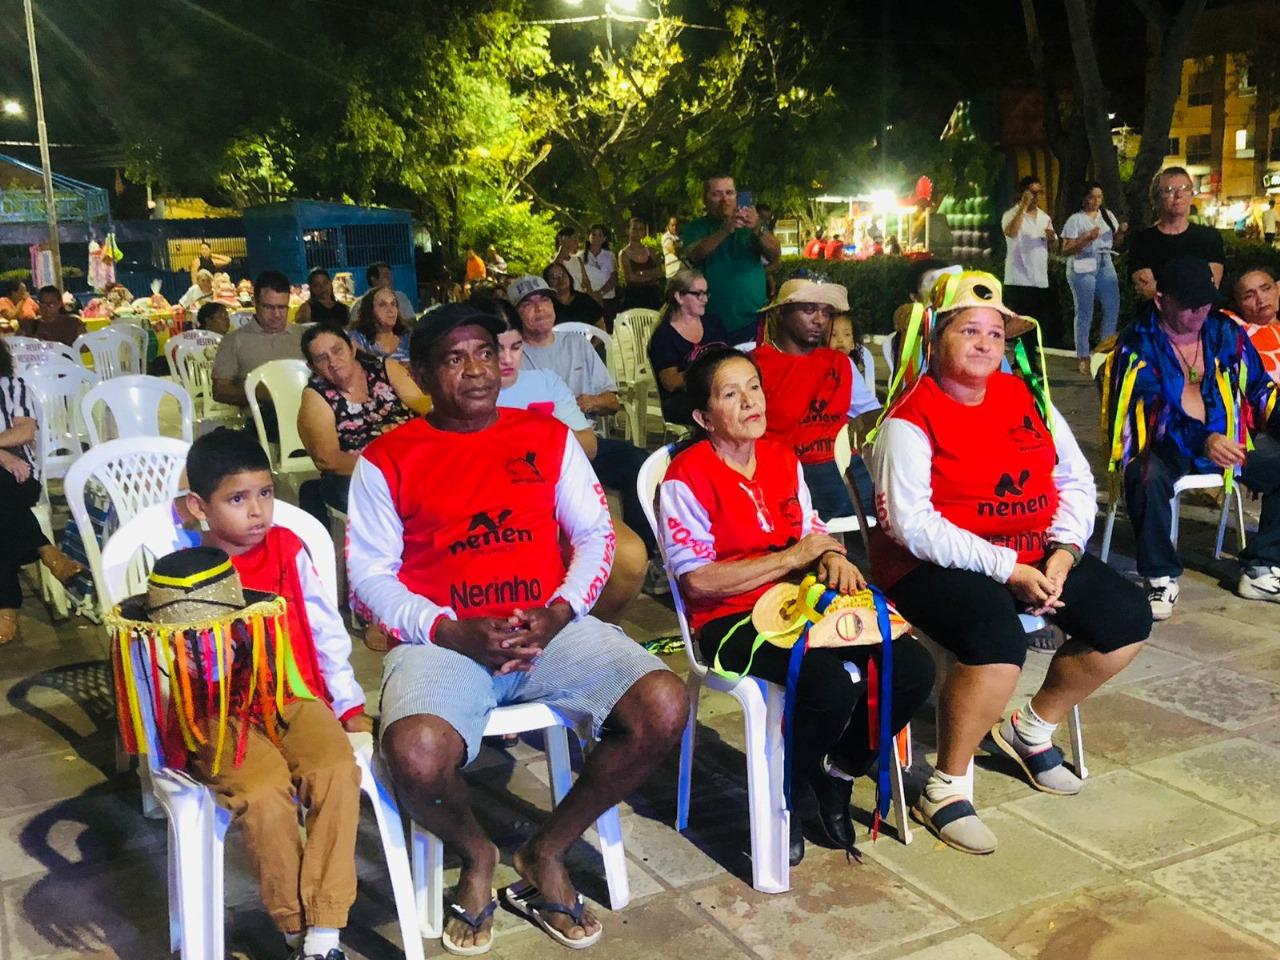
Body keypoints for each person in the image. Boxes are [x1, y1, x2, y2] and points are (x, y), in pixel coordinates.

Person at [346, 302, 686, 953]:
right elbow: (368, 575)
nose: (476, 370)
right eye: (453, 358)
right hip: (444, 643)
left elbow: (594, 535)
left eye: (484, 353)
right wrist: (448, 629)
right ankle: (476, 854)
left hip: (550, 631)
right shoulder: (387, 459)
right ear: (420, 374)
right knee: (415, 754)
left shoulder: (547, 437)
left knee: (663, 704)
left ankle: (545, 852)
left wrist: (560, 611)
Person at [869, 270, 1151, 854]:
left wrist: (1065, 552)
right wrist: (1008, 570)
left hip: (1035, 552)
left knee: (1126, 616)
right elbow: (911, 525)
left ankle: (1031, 728)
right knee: (995, 637)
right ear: (935, 338)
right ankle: (945, 786)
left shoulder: (1027, 396)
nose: (984, 343)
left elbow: (1074, 479)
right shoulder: (909, 417)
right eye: (968, 330)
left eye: (995, 334)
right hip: (933, 565)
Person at [659, 346, 934, 864]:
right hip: (730, 617)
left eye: (754, 387)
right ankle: (789, 792)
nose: (750, 402)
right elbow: (697, 581)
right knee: (828, 685)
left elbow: (810, 527)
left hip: (800, 600)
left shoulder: (782, 457)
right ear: (704, 417)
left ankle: (838, 770)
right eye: (730, 394)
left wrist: (830, 555)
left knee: (912, 666)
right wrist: (794, 556)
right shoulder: (686, 477)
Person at [171, 428, 371, 960]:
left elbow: (327, 630)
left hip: (292, 693)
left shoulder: (288, 549)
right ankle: (293, 924)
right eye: (237, 499)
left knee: (335, 770)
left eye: (265, 493)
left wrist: (349, 704)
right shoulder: (183, 571)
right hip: (219, 712)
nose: (258, 510)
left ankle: (325, 929)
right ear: (199, 507)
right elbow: (181, 665)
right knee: (263, 793)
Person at [1109, 256, 1280, 619]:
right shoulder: (1137, 341)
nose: (1200, 311)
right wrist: (1203, 439)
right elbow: (1153, 413)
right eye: (1189, 304)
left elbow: (1260, 389)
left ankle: (1262, 567)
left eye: (1206, 301)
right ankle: (1159, 576)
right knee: (1144, 474)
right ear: (1161, 301)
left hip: (1228, 440)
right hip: (1165, 444)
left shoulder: (1223, 331)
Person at [487, 298, 647, 623]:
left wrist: (532, 434)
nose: (507, 359)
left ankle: (578, 629)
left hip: (557, 502)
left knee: (631, 557)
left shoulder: (544, 381)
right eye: (495, 350)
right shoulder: (472, 394)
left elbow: (588, 445)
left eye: (515, 347)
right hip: (502, 510)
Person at [510, 275, 664, 590]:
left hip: (584, 442)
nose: (539, 309)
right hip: (538, 453)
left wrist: (592, 401)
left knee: (637, 462)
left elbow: (613, 402)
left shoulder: (576, 344)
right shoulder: (511, 356)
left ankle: (644, 558)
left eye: (544, 300)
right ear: (515, 315)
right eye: (528, 304)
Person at [752, 278, 881, 521]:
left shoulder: (840, 362)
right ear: (781, 312)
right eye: (809, 309)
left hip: (845, 465)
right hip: (790, 471)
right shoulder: (756, 364)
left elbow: (871, 415)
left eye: (825, 311)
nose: (820, 320)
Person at [297, 322, 426, 523]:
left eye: (337, 350)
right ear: (312, 367)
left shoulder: (385, 368)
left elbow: (425, 405)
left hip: (414, 460)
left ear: (352, 347)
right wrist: (385, 469)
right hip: (361, 474)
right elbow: (327, 459)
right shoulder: (316, 396)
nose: (333, 362)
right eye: (322, 359)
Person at [0, 338, 84, 643]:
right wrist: (2, 455)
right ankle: (46, 550)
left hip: (19, 477)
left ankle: (6, 607)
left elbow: (25, 430)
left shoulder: (12, 386)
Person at [681, 175, 781, 342]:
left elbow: (775, 254)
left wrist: (758, 228)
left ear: (737, 196)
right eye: (716, 194)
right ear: (705, 199)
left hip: (753, 318)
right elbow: (695, 254)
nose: (724, 199)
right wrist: (725, 230)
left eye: (729, 193)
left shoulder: (751, 226)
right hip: (710, 319)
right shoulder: (696, 228)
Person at [211, 271, 308, 436]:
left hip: (307, 415)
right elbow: (220, 390)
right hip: (262, 420)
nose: (276, 315)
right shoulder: (234, 341)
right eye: (269, 307)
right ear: (255, 303)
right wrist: (260, 393)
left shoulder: (304, 336)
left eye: (282, 307)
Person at [647, 268, 729, 425]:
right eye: (699, 294)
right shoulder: (664, 335)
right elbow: (670, 382)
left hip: (717, 391)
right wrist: (707, 372)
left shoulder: (713, 323)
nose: (705, 299)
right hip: (683, 400)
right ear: (679, 297)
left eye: (706, 293)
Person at [1128, 167, 1225, 300]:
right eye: (1169, 190)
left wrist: (1160, 286)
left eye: (1185, 188)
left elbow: (1210, 288)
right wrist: (1191, 283)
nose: (1179, 195)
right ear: (1156, 199)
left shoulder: (1209, 237)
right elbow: (1146, 291)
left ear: (1191, 196)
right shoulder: (1142, 240)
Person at [1061, 182, 1123, 376]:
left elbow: (1116, 242)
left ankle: (1103, 354)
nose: (1096, 201)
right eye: (1092, 197)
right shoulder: (1075, 220)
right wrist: (1086, 238)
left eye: (1099, 197)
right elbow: (1066, 249)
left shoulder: (1107, 215)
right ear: (1084, 199)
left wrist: (1120, 233)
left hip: (1105, 261)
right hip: (1083, 264)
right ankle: (1083, 356)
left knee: (1112, 307)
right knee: (1084, 312)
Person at [1001, 175, 1056, 327]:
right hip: (1018, 280)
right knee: (1018, 326)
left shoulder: (1044, 218)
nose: (1037, 197)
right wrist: (1023, 206)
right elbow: (1011, 232)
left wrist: (1052, 239)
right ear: (1023, 193)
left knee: (1037, 326)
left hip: (1040, 280)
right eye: (1033, 193)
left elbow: (1053, 247)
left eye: (1040, 193)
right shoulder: (1010, 215)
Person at [1233, 266, 1280, 383]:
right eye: (1249, 296)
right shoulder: (1239, 337)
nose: (1260, 299)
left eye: (1266, 289)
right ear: (1238, 304)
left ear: (1278, 288)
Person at [349, 286, 411, 362]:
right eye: (382, 305)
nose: (390, 310)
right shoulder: (358, 338)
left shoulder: (409, 339)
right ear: (370, 311)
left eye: (393, 304)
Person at [618, 218, 664, 311]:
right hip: (634, 297)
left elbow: (660, 272)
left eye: (641, 229)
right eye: (634, 229)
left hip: (652, 296)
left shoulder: (651, 251)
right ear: (628, 231)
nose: (638, 232)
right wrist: (651, 274)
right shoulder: (624, 254)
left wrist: (642, 273)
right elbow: (630, 277)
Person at [542, 261, 604, 328]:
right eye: (554, 277)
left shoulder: (585, 300)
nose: (560, 278)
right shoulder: (545, 305)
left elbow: (600, 326)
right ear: (547, 282)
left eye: (562, 274)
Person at [350, 262, 414, 323]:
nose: (390, 279)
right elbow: (354, 328)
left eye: (390, 276)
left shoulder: (400, 297)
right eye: (386, 276)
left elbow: (412, 321)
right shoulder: (359, 304)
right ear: (373, 279)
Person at [584, 225, 619, 324]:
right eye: (594, 234)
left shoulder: (610, 255)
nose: (596, 237)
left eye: (600, 235)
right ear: (588, 237)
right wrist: (592, 295)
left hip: (607, 299)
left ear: (604, 238)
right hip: (588, 299)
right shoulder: (580, 256)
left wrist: (600, 293)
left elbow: (614, 278)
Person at [552, 226, 594, 298]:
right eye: (574, 239)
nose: (577, 242)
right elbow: (555, 269)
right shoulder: (554, 260)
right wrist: (563, 246)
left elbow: (586, 282)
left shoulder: (578, 260)